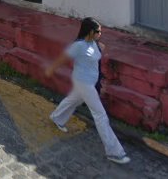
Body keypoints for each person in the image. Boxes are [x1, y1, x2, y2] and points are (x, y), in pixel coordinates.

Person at [44, 17, 130, 165]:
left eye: (101, 31)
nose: (100, 34)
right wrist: (51, 69)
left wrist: (99, 47)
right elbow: (63, 58)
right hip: (84, 83)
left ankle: (57, 117)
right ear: (90, 31)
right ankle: (114, 152)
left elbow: (95, 54)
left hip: (87, 82)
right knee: (100, 115)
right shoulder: (79, 46)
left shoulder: (94, 43)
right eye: (98, 31)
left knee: (73, 100)